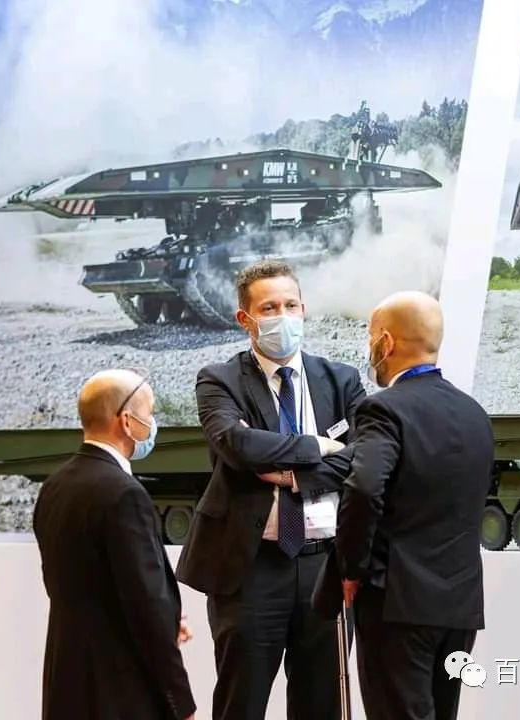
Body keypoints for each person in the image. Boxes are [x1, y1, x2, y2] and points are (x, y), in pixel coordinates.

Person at [175, 259, 366, 720]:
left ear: (304, 308)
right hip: (249, 568)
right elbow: (237, 445)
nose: (283, 316)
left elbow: (366, 455)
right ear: (245, 319)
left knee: (321, 705)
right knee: (241, 703)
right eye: (269, 308)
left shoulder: (341, 379)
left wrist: (295, 474)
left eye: (290, 305)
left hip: (324, 565)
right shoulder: (219, 380)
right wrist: (319, 446)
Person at [318, 290, 494, 720]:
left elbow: (363, 488)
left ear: (386, 342)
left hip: (397, 601)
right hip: (459, 604)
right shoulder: (474, 412)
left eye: (370, 337)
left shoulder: (383, 409)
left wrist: (350, 568)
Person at [33, 369, 196, 720]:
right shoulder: (124, 494)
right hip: (120, 690)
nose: (152, 422)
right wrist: (181, 703)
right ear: (126, 421)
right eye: (150, 412)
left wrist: (167, 619)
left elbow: (76, 585)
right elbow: (145, 602)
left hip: (66, 682)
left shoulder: (55, 486)